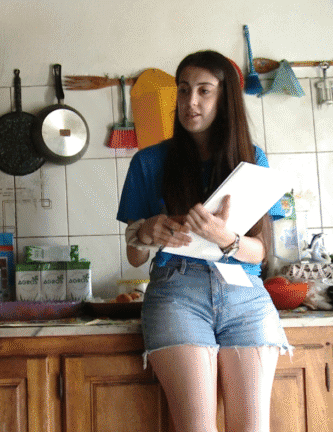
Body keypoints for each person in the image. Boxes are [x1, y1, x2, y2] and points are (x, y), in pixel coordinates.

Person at [116, 50, 291, 432]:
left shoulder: (251, 159)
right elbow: (132, 254)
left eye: (203, 91)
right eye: (183, 90)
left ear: (224, 98)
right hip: (178, 294)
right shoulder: (148, 162)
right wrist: (146, 232)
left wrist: (224, 238)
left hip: (246, 296)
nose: (190, 102)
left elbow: (261, 252)